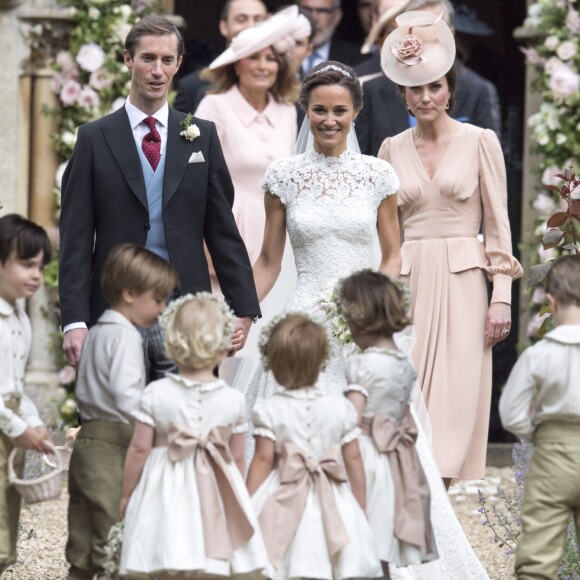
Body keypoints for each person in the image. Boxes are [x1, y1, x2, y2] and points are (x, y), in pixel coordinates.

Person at [249, 61, 491, 579]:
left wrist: (368, 309)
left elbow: (391, 254)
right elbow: (269, 262)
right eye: (319, 110)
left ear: (356, 112)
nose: (329, 120)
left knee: (372, 440)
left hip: (361, 322)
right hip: (304, 326)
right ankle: (290, 553)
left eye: (340, 110)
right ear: (305, 112)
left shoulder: (378, 175)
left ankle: (377, 552)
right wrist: (242, 313)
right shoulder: (282, 177)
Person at [58, 16, 260, 381]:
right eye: (148, 58)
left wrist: (243, 308)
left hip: (188, 312)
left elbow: (222, 231)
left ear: (179, 64)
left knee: (186, 425)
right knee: (120, 428)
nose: (157, 70)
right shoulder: (93, 139)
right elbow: (74, 239)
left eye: (167, 60)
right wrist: (74, 321)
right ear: (127, 59)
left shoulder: (202, 137)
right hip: (115, 309)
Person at [378, 11, 522, 487]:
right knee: (410, 389)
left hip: (464, 282)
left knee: (459, 396)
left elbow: (499, 226)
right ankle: (415, 500)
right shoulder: (389, 149)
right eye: (415, 88)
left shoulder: (481, 140)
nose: (426, 97)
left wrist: (501, 295)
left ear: (450, 89)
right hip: (409, 279)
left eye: (435, 86)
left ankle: (444, 506)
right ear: (402, 92)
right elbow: (387, 232)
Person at [119, 292, 271, 579]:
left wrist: (127, 494)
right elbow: (237, 458)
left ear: (172, 343)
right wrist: (235, 494)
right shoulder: (233, 400)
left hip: (164, 486)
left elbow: (139, 449)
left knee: (163, 550)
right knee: (209, 554)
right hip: (215, 486)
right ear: (222, 345)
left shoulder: (155, 394)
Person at [195, 7, 303, 384]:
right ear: (236, 64)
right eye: (254, 57)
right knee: (225, 335)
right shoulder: (214, 106)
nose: (263, 65)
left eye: (271, 58)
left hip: (277, 233)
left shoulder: (289, 111)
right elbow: (198, 181)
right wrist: (206, 245)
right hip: (229, 228)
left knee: (269, 333)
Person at [66, 244, 177, 580]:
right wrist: (158, 425)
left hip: (87, 441)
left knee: (83, 540)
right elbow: (128, 396)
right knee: (112, 536)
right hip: (113, 445)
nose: (161, 309)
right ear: (130, 294)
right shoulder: (127, 337)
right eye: (157, 300)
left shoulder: (98, 330)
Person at [246, 313, 382, 580]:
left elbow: (262, 460)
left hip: (281, 493)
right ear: (322, 362)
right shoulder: (340, 408)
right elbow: (353, 459)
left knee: (280, 559)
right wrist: (361, 506)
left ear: (275, 362)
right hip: (332, 496)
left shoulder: (270, 408)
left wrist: (248, 503)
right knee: (329, 561)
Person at [340, 270, 437, 576]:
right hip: (397, 462)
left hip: (366, 459)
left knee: (357, 539)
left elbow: (350, 422)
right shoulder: (404, 365)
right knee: (380, 541)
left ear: (361, 318)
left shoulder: (362, 365)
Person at [499, 255, 580, 579]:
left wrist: (537, 434)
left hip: (552, 456)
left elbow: (510, 413)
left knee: (537, 556)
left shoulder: (538, 355)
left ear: (551, 301)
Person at [355, 0, 501, 157]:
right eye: (416, 29)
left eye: (430, 29)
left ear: (450, 35)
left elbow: (489, 161)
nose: (423, 38)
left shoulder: (476, 91)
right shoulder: (372, 91)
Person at [0, 214, 53, 574]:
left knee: (7, 508)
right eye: (26, 264)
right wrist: (20, 427)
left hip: (11, 428)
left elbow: (14, 385)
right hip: (6, 424)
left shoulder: (19, 316)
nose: (36, 274)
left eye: (41, 266)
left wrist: (33, 422)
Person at [173, 0, 269, 115]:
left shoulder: (281, 86)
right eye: (241, 19)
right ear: (224, 27)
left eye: (258, 20)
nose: (250, 26)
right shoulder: (191, 87)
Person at [298, 0, 369, 74]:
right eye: (306, 10)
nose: (314, 18)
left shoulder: (359, 61)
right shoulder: (286, 54)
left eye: (322, 11)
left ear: (337, 16)